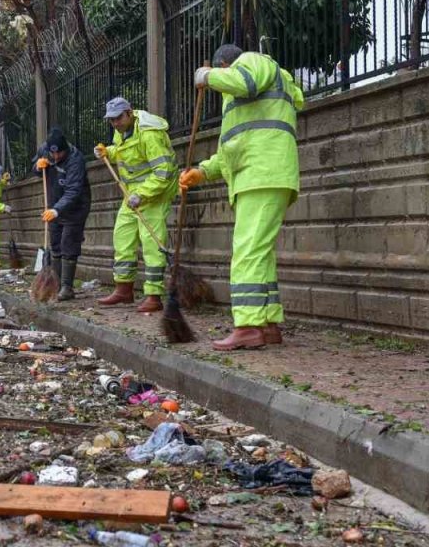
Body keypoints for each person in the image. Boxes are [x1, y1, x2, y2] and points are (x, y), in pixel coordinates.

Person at [181, 44, 304, 350]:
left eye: (222, 72)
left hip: (261, 173)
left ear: (226, 64)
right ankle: (268, 323)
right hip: (263, 172)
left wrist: (207, 75)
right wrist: (203, 171)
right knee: (261, 254)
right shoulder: (247, 102)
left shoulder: (253, 62)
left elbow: (243, 82)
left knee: (247, 252)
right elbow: (233, 149)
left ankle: (248, 325)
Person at [93, 97, 178, 313]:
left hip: (154, 194)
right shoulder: (120, 131)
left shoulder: (150, 134)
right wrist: (108, 152)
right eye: (111, 120)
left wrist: (141, 194)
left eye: (118, 118)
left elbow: (164, 172)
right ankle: (124, 289)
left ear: (129, 113)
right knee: (122, 237)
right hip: (130, 195)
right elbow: (126, 152)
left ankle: (154, 295)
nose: (115, 123)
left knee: (152, 243)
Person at [34, 127, 90, 300]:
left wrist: (57, 210)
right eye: (53, 155)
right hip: (53, 204)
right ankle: (54, 285)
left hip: (74, 208)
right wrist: (37, 166)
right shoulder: (45, 150)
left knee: (68, 243)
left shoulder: (75, 159)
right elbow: (35, 167)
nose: (56, 157)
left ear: (65, 148)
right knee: (56, 244)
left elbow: (73, 191)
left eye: (60, 154)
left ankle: (67, 287)